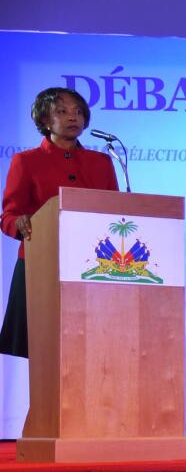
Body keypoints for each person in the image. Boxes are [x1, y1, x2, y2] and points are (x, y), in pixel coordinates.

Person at [1, 87, 118, 358]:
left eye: (78, 111)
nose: (72, 117)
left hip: (93, 264)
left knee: (90, 347)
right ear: (45, 121)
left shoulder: (101, 162)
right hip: (41, 263)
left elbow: (114, 211)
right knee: (43, 350)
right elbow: (8, 216)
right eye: (62, 112)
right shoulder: (26, 161)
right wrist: (19, 223)